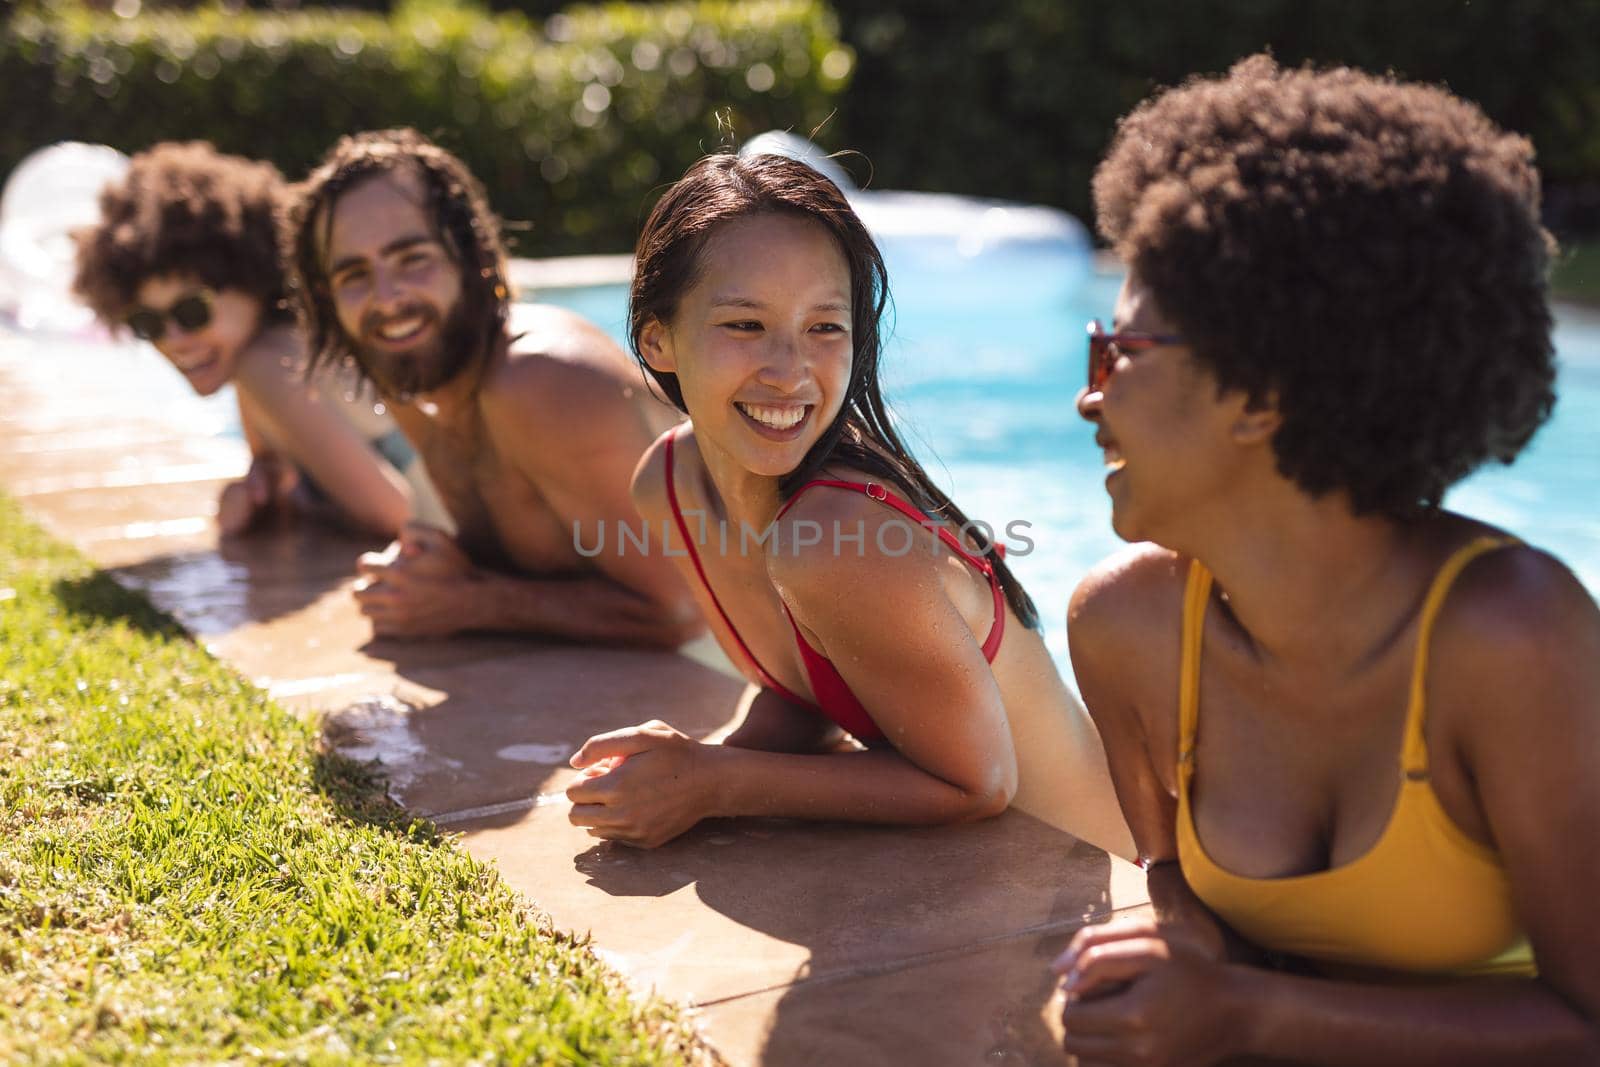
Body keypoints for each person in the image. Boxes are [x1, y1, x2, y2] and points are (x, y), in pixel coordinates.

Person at [1054, 56, 1600, 1064]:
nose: (1090, 398)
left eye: (1116, 353)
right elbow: (1168, 874)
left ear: (1260, 395)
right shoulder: (1121, 628)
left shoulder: (1510, 634)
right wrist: (1181, 934)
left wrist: (1249, 1012)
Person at [563, 152, 1133, 857]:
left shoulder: (838, 534)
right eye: (745, 325)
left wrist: (715, 781)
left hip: (1090, 895)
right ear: (657, 339)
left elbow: (977, 783)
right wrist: (692, 765)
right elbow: (814, 688)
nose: (789, 369)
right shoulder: (671, 485)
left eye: (825, 327)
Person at [282, 129, 700, 645]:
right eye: (354, 275)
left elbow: (682, 610)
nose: (386, 300)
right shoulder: (409, 370)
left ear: (470, 253)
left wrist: (471, 601)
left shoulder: (544, 379)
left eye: (412, 258)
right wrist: (433, 566)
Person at [71, 141, 436, 538]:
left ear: (253, 280)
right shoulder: (269, 357)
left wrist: (309, 511)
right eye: (147, 323)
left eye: (192, 311)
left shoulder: (266, 365)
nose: (174, 340)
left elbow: (395, 516)